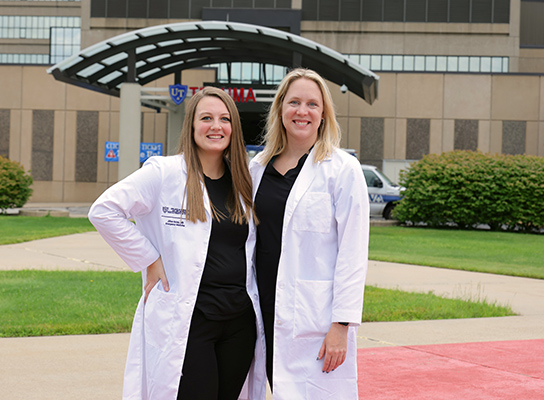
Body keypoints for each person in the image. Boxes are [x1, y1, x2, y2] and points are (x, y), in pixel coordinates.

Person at [88, 87, 266, 400]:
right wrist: (148, 258)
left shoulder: (244, 181)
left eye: (225, 119)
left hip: (238, 323)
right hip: (189, 322)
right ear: (192, 125)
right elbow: (104, 210)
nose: (216, 126)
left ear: (234, 129)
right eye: (207, 118)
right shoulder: (165, 173)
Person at [250, 68, 369, 399]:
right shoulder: (256, 168)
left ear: (323, 114)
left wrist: (341, 325)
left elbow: (353, 252)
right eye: (294, 102)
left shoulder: (342, 170)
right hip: (264, 311)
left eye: (312, 104)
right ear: (280, 110)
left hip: (315, 320)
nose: (302, 112)